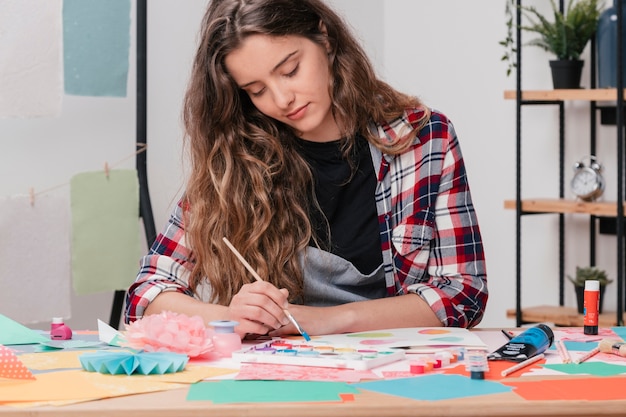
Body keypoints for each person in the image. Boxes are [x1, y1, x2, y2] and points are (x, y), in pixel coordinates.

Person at [125, 0, 488, 338]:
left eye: (290, 70)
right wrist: (225, 318)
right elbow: (145, 296)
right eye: (256, 90)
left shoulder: (422, 139)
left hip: (397, 375)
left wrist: (330, 320)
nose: (282, 100)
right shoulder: (238, 157)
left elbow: (463, 293)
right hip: (285, 383)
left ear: (325, 38)